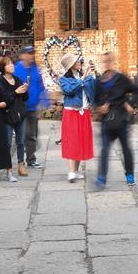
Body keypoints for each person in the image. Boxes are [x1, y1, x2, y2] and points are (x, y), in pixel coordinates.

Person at [94, 52, 137, 188]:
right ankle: (101, 177)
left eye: (109, 61)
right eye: (104, 61)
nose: (106, 64)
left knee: (126, 149)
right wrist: (100, 108)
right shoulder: (99, 82)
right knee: (105, 150)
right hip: (106, 122)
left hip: (121, 120)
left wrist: (130, 103)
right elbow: (95, 101)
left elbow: (135, 90)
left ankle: (130, 174)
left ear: (113, 62)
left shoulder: (121, 78)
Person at [58, 54, 95, 182]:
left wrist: (92, 76)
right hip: (71, 112)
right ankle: (71, 172)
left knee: (81, 141)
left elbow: (93, 90)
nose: (79, 62)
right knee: (72, 141)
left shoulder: (83, 76)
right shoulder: (64, 79)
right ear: (71, 65)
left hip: (84, 111)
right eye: (76, 61)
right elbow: (69, 90)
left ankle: (76, 171)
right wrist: (83, 79)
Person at [14, 46, 47, 168]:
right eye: (29, 53)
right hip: (20, 107)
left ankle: (31, 159)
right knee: (21, 134)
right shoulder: (16, 69)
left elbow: (41, 87)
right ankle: (16, 159)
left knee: (32, 135)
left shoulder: (36, 69)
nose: (31, 55)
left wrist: (41, 104)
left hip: (33, 107)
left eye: (32, 53)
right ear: (22, 55)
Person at [0, 57, 28, 177]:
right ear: (3, 68)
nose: (12, 65)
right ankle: (8, 166)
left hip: (20, 113)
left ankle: (21, 164)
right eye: (8, 64)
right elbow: (3, 100)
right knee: (7, 143)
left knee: (21, 141)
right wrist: (15, 92)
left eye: (12, 63)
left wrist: (25, 90)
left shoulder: (17, 79)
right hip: (7, 115)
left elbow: (25, 98)